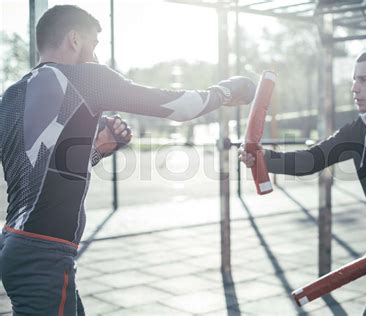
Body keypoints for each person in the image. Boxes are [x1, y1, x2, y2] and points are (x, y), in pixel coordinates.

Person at [0, 4, 255, 315]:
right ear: (74, 39)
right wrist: (227, 91)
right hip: (43, 255)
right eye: (93, 46)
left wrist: (97, 149)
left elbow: (34, 170)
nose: (95, 57)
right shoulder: (85, 76)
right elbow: (181, 106)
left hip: (17, 248)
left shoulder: (11, 96)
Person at [239, 49, 366, 315]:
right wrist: (264, 159)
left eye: (364, 80)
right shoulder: (358, 130)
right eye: (354, 79)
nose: (354, 88)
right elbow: (312, 159)